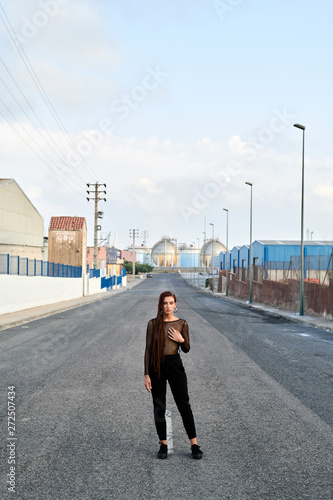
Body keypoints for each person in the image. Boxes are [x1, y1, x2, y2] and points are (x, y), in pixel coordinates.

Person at [144, 290, 203, 459]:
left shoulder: (182, 324)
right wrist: (146, 374)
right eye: (165, 303)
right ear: (160, 305)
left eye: (171, 303)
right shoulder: (153, 324)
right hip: (157, 366)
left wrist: (181, 340)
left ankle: (194, 445)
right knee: (159, 406)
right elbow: (148, 349)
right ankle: (163, 444)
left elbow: (186, 349)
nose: (168, 306)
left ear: (175, 305)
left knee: (184, 405)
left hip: (175, 364)